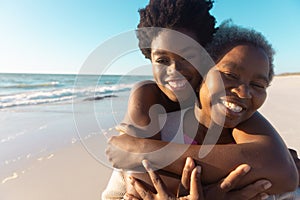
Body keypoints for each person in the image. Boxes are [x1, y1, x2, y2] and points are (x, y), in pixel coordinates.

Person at [105, 22, 299, 199]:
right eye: (229, 75)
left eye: (258, 85)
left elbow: (287, 179)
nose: (243, 92)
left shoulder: (264, 149)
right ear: (201, 71)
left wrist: (144, 152)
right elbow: (126, 190)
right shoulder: (157, 128)